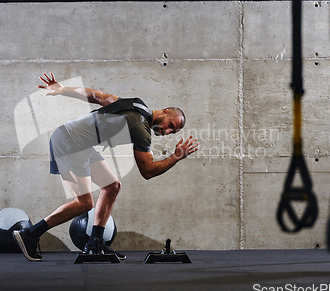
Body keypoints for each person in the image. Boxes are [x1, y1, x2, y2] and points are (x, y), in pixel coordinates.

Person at [13, 72, 199, 261]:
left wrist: (62, 90)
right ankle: (30, 234)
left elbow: (98, 97)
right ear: (165, 111)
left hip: (79, 142)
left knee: (112, 186)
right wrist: (176, 156)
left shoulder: (138, 104)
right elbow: (148, 171)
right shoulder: (141, 129)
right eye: (170, 125)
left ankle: (95, 243)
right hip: (70, 142)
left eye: (172, 131)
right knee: (84, 203)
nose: (167, 131)